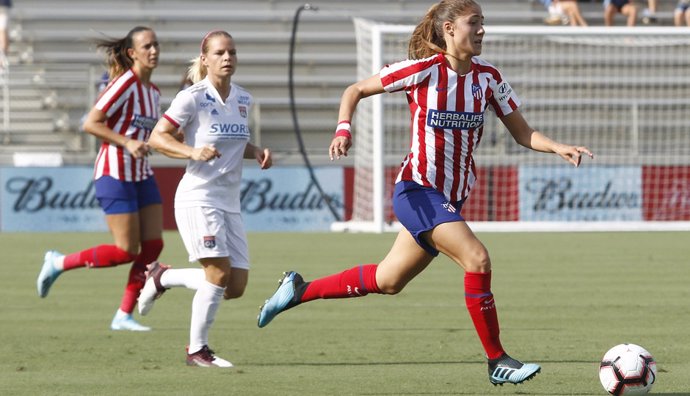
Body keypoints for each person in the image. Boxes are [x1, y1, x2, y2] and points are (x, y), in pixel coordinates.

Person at [257, 0, 593, 386]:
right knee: (477, 258)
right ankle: (497, 360)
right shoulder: (422, 71)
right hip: (417, 190)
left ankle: (298, 290)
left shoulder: (489, 78)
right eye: (473, 23)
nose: (481, 30)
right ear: (449, 29)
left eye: (483, 22)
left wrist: (558, 147)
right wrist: (343, 129)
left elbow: (522, 132)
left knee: (388, 280)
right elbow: (355, 90)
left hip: (450, 198)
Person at [141, 30, 273, 368]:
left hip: (229, 202)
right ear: (205, 59)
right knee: (218, 272)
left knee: (236, 285)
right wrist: (191, 151)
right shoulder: (192, 97)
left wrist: (255, 151)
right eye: (219, 53)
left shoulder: (243, 98)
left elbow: (233, 141)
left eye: (231, 52)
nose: (227, 57)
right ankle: (197, 350)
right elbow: (158, 137)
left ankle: (162, 277)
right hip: (198, 197)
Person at [37, 26, 164, 332]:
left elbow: (146, 134)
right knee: (125, 251)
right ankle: (58, 263)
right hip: (113, 172)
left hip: (141, 172)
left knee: (153, 245)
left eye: (156, 44)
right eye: (146, 46)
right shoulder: (124, 83)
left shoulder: (153, 92)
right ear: (132, 53)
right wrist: (127, 142)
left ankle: (123, 315)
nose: (154, 50)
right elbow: (91, 123)